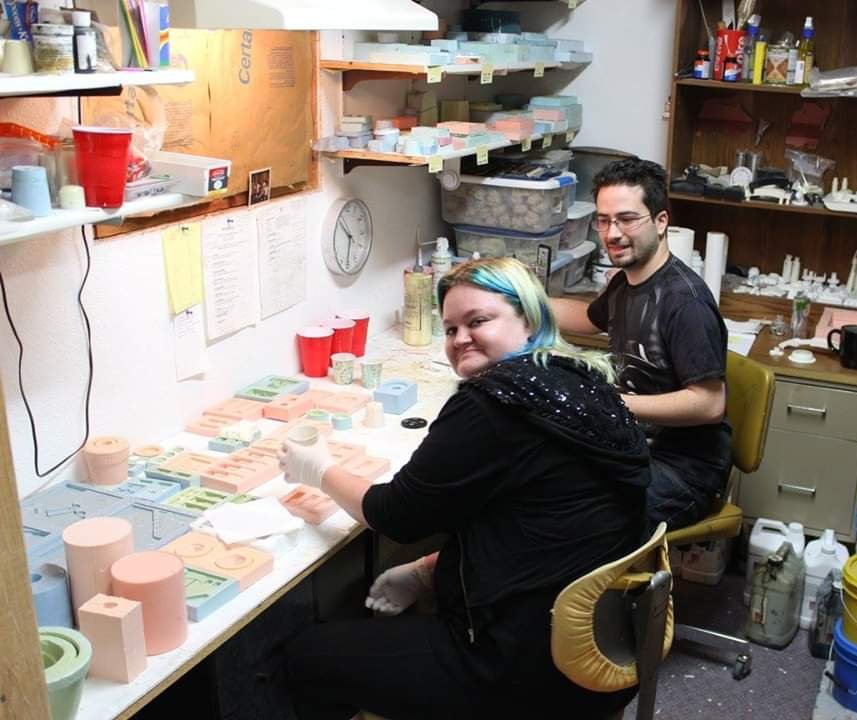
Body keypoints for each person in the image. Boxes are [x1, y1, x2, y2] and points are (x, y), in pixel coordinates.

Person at [280, 257, 651, 720]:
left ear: (529, 319)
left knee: (305, 656)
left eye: (478, 321)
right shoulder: (583, 380)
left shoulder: (493, 405)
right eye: (451, 328)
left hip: (525, 671)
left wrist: (319, 470)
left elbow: (393, 515)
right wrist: (429, 570)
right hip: (604, 650)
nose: (460, 339)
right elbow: (545, 529)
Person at [552, 158, 731, 532]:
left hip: (683, 471)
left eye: (627, 219)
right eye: (604, 221)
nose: (612, 233)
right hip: (632, 447)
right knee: (533, 474)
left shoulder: (684, 301)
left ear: (661, 221)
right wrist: (520, 299)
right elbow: (587, 319)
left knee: (569, 514)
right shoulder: (626, 282)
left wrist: (612, 403)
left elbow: (710, 403)